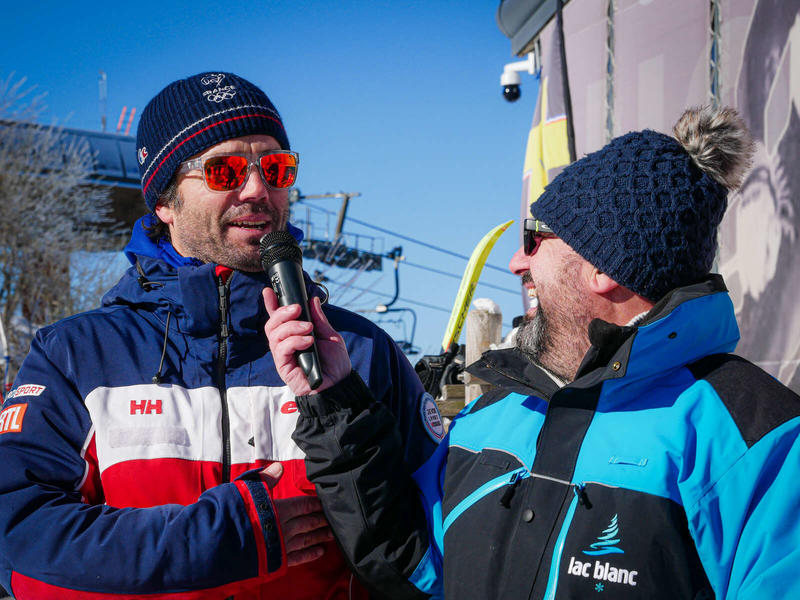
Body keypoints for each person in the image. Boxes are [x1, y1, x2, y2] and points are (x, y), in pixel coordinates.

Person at [265, 105, 800, 599]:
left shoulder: (760, 440)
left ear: (602, 269)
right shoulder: (491, 417)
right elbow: (415, 566)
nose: (518, 263)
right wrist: (332, 396)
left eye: (535, 236)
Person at [0, 72, 440, 599]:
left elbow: (434, 546)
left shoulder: (360, 351)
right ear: (164, 203)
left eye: (276, 167)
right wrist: (222, 536)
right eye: (224, 170)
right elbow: (18, 536)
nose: (257, 189)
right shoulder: (76, 355)